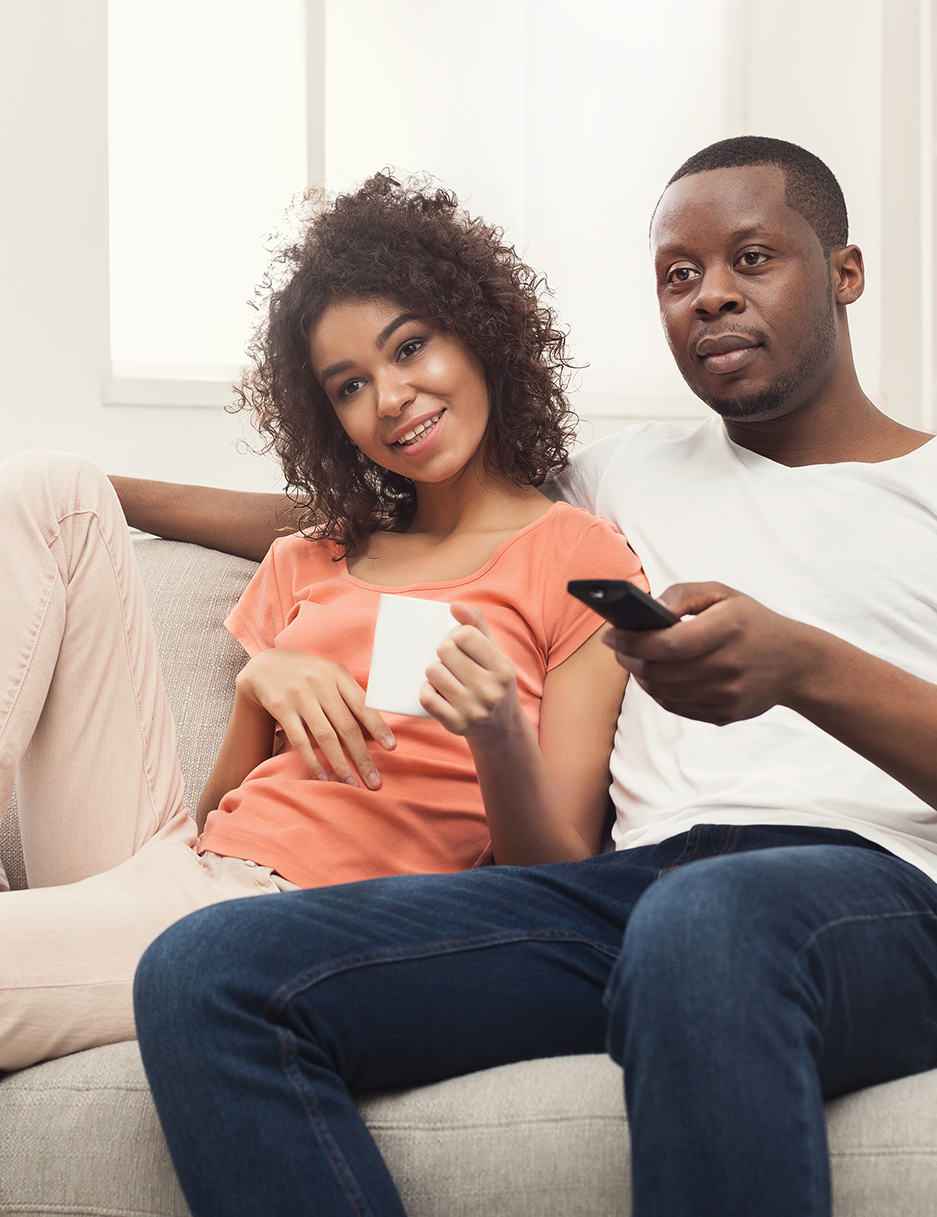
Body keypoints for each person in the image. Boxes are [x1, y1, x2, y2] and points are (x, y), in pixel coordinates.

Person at [132, 136, 937, 1217]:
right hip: (626, 902)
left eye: (751, 259)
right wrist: (104, 491)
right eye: (677, 277)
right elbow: (378, 523)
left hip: (890, 901)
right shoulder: (619, 476)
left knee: (708, 920)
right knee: (206, 971)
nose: (710, 297)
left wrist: (804, 668)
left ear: (843, 273)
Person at [0, 173, 640, 1072]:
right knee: (48, 486)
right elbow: (219, 814)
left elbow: (562, 880)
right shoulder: (316, 554)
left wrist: (498, 732)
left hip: (300, 922)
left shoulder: (577, 556)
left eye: (411, 347)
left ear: (481, 333)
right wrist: (255, 694)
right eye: (349, 386)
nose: (390, 399)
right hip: (187, 870)